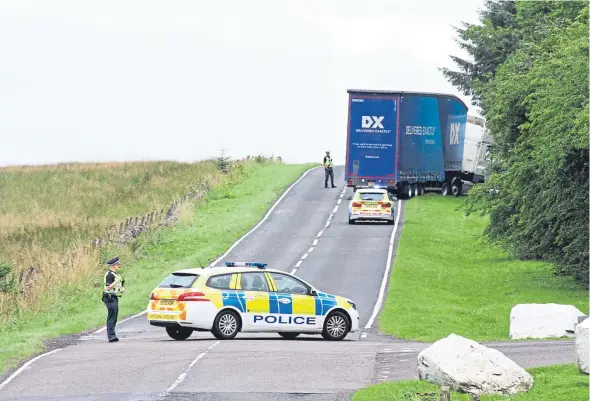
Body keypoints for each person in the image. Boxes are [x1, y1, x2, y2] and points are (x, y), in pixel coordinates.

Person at [102, 256, 125, 343]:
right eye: (117, 264)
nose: (119, 265)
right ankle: (111, 336)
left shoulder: (117, 275)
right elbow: (108, 287)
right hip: (109, 297)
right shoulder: (109, 275)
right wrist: (114, 282)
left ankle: (112, 335)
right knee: (111, 317)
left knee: (114, 317)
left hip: (114, 297)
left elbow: (121, 283)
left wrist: (122, 288)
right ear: (114, 265)